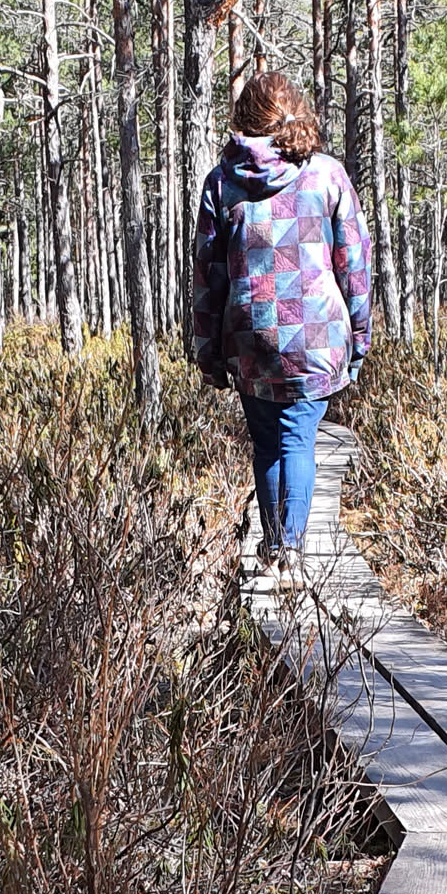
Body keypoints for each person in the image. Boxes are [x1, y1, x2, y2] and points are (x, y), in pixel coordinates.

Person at [191, 70, 374, 587]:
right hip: (317, 337)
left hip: (250, 337)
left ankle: (275, 547)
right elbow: (353, 264)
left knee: (267, 441)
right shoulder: (327, 175)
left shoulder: (221, 183)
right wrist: (359, 337)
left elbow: (208, 275)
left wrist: (208, 350)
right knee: (298, 440)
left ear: (244, 118)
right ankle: (290, 551)